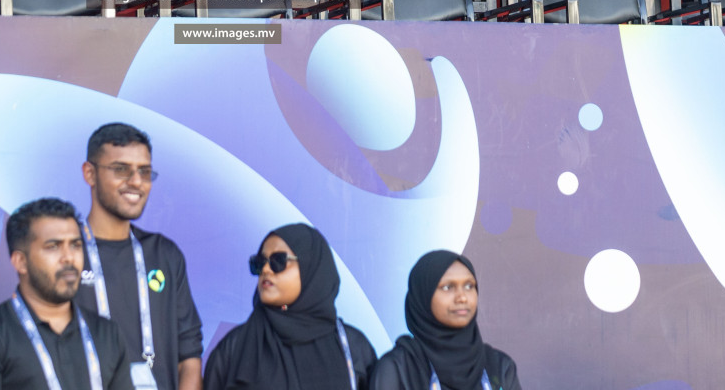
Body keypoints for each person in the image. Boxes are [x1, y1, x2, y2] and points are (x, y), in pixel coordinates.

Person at [0, 197, 134, 390]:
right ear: (20, 262)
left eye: (75, 245)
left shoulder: (107, 333)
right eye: (53, 246)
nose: (68, 257)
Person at [76, 123, 203, 390]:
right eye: (121, 169)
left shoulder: (164, 254)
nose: (135, 181)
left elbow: (189, 355)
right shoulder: (64, 253)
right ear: (90, 173)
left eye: (144, 172)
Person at [202, 223, 377, 390]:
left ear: (312, 267)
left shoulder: (352, 345)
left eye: (279, 261)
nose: (266, 270)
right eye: (260, 262)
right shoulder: (235, 347)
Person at [372, 251, 521, 390]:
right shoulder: (397, 369)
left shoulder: (498, 366)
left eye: (469, 286)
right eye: (448, 287)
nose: (462, 297)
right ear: (423, 296)